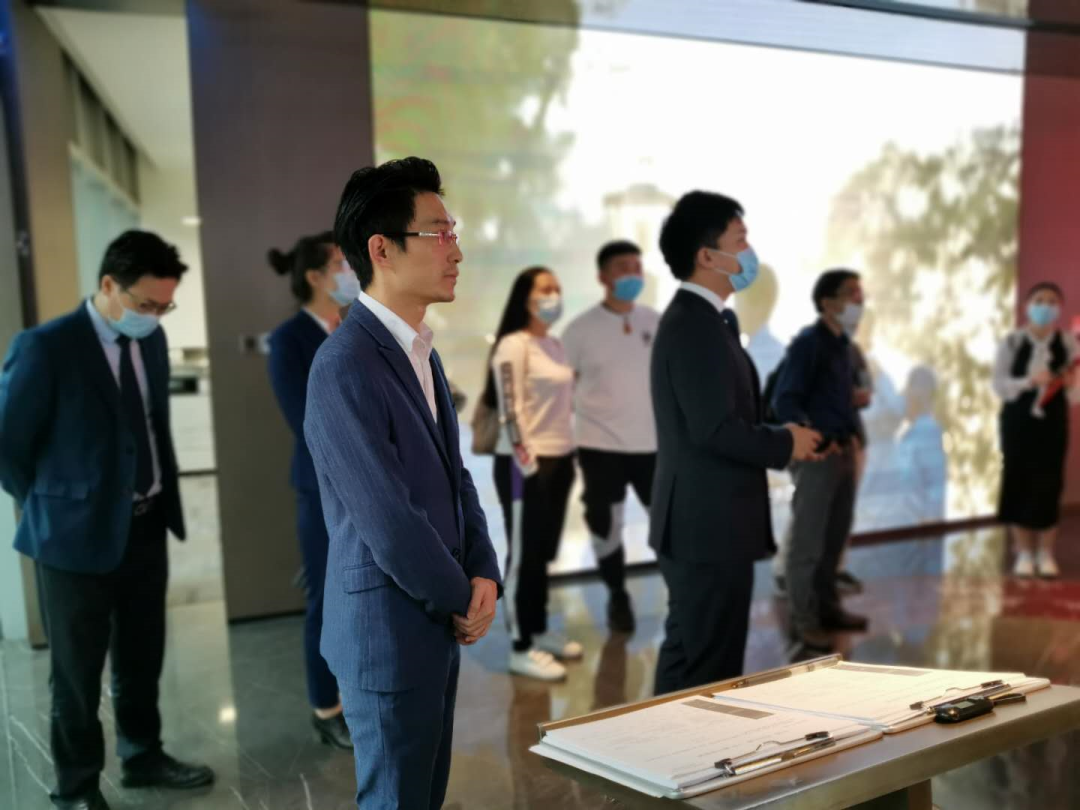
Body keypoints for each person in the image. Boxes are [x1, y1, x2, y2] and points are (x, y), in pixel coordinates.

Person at [304, 157, 502, 809]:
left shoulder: (420, 350)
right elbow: (389, 520)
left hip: (433, 615)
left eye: (453, 232)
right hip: (387, 629)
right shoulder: (344, 364)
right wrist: (462, 597)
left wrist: (484, 570)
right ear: (381, 249)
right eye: (439, 234)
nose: (456, 251)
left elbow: (454, 477)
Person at [0, 231, 214, 810]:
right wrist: (54, 502)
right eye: (146, 304)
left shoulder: (151, 339)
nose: (155, 316)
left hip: (145, 524)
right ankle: (76, 788)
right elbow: (8, 446)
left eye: (165, 306)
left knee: (142, 656)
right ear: (108, 285)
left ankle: (142, 755)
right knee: (76, 673)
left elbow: (150, 425)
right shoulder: (46, 347)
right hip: (71, 538)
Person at [649, 191, 821, 695]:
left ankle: (664, 742)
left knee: (692, 655)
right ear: (707, 256)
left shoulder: (709, 321)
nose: (749, 252)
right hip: (707, 527)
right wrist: (784, 443)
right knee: (708, 667)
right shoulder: (693, 325)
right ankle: (689, 746)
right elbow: (715, 430)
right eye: (740, 240)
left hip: (709, 524)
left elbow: (733, 413)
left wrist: (790, 431)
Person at [266, 231, 359, 750]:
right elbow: (307, 422)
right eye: (342, 263)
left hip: (367, 487)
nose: (352, 271)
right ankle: (326, 708)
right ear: (315, 276)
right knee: (326, 599)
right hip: (323, 488)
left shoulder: (354, 326)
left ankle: (358, 695)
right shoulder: (290, 339)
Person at [483, 266, 579, 681]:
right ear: (526, 297)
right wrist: (528, 460)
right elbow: (510, 408)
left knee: (542, 554)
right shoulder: (513, 345)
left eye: (557, 287)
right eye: (545, 289)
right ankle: (520, 647)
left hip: (561, 458)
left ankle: (537, 630)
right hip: (526, 464)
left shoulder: (554, 344)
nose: (553, 295)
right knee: (524, 555)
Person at [561, 240, 660, 634]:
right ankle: (618, 594)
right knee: (605, 525)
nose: (632, 274)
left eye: (637, 266)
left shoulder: (656, 322)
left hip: (653, 445)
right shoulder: (579, 330)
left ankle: (683, 591)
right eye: (623, 267)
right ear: (603, 276)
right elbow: (563, 389)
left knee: (668, 520)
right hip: (599, 446)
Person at [772, 268, 870, 659]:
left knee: (833, 539)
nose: (859, 301)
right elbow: (785, 400)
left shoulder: (843, 346)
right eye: (850, 294)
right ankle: (804, 621)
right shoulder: (808, 344)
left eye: (860, 294)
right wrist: (813, 437)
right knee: (807, 543)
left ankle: (829, 610)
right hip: (818, 456)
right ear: (827, 303)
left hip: (844, 452)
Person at [992, 281, 1079, 579]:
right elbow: (999, 385)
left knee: (1049, 483)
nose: (1045, 306)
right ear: (1027, 306)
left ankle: (1046, 552)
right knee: (1018, 480)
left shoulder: (1068, 343)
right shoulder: (1012, 342)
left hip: (1053, 423)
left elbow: (1076, 395)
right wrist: (1029, 381)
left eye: (1052, 301)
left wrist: (1072, 384)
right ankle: (1024, 552)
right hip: (1017, 422)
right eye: (1039, 300)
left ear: (1059, 308)